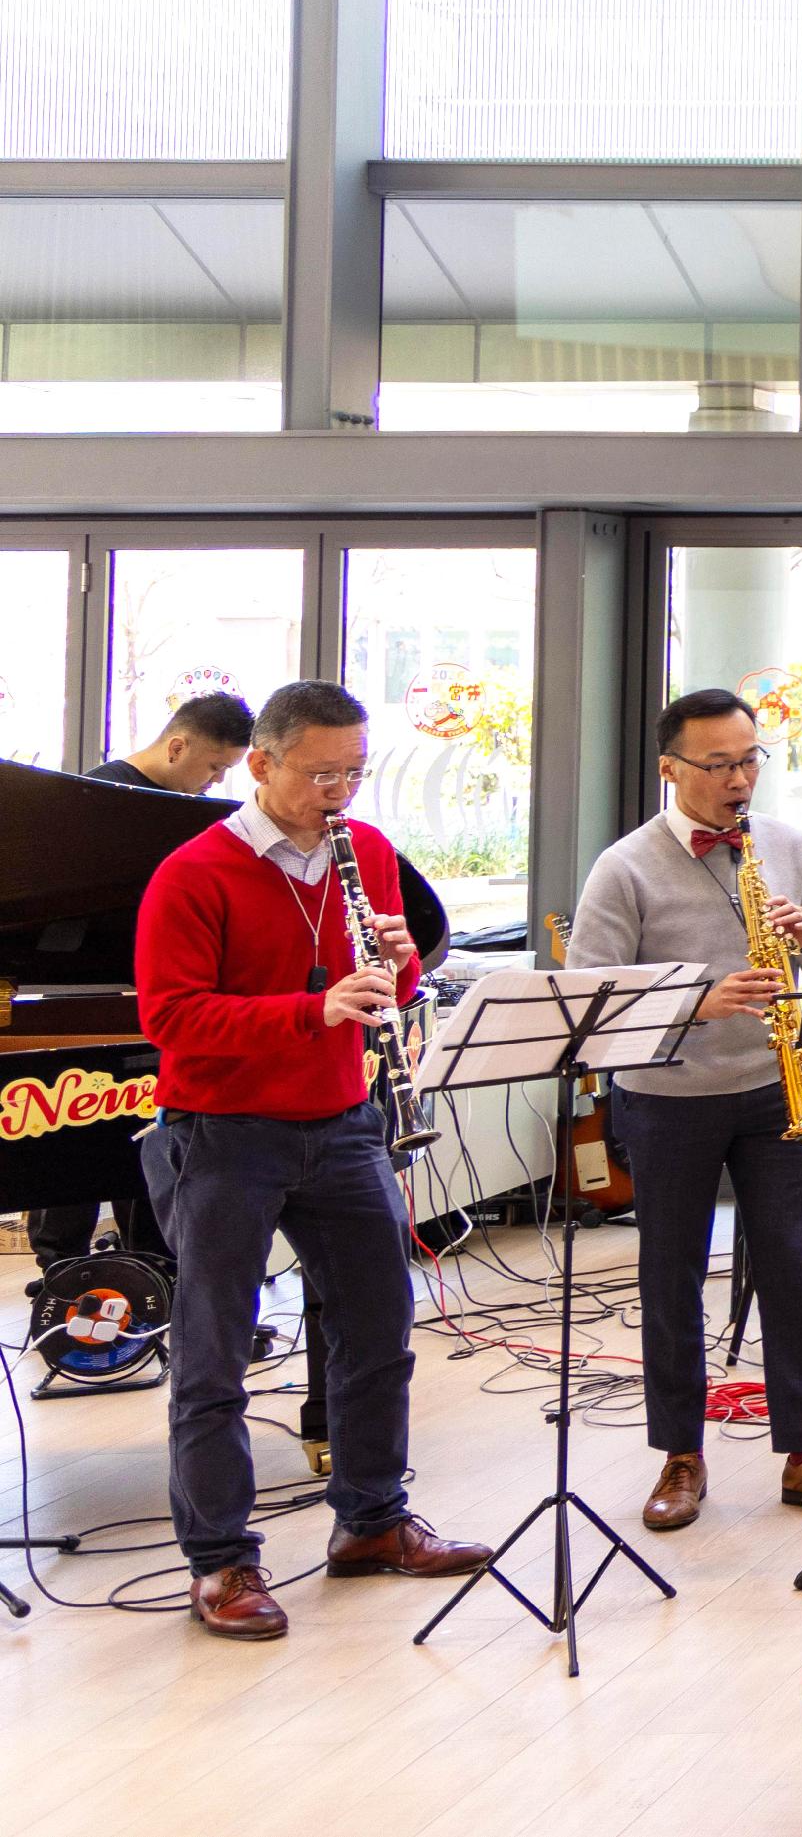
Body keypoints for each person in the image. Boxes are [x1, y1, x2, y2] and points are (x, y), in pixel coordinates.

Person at [134, 679, 490, 1639]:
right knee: (213, 1351)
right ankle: (222, 1562)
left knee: (378, 1330)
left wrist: (402, 961)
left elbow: (390, 982)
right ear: (261, 764)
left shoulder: (364, 851)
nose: (340, 791)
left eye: (354, 772)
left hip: (342, 1124)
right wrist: (312, 1008)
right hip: (223, 1130)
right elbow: (168, 1018)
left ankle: (371, 1521)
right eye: (320, 772)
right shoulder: (193, 872)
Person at [569, 688, 802, 1534]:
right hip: (668, 1099)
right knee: (672, 1276)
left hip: (777, 1086)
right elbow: (590, 1001)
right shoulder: (625, 865)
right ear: (670, 768)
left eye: (750, 759)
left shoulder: (787, 844)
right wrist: (699, 1000)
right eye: (718, 764)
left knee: (793, 1267)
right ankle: (681, 1454)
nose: (738, 779)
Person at [36, 692, 261, 1267]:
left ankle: (149, 1272)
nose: (214, 783)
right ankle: (63, 1268)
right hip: (87, 995)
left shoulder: (181, 810)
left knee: (139, 1143)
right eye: (212, 767)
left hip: (152, 995)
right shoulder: (104, 798)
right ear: (177, 745)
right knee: (74, 1143)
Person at [89, 691, 253, 794]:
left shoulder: (196, 803)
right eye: (216, 767)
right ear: (177, 749)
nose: (219, 779)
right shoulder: (100, 791)